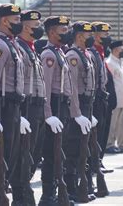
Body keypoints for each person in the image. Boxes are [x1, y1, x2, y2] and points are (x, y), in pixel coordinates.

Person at [0, 3, 25, 205]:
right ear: (4, 21)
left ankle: (1, 193)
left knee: (9, 154)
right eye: (16, 20)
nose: (19, 23)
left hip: (14, 105)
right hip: (3, 106)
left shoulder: (12, 43)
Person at [10, 10, 47, 205]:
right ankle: (20, 196)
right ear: (25, 27)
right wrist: (22, 113)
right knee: (23, 155)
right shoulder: (18, 48)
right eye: (36, 24)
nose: (39, 28)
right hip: (27, 107)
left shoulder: (31, 48)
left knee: (33, 154)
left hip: (38, 107)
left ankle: (23, 190)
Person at [39, 15, 74, 205]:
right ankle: (48, 195)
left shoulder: (60, 52)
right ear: (52, 32)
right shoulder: (49, 55)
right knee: (51, 153)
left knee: (60, 152)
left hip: (63, 105)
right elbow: (44, 87)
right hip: (54, 104)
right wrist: (48, 114)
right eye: (63, 30)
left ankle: (56, 194)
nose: (67, 33)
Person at [63, 21, 95, 202]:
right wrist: (76, 113)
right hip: (78, 106)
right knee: (73, 149)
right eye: (88, 34)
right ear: (79, 36)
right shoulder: (73, 56)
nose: (91, 37)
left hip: (87, 105)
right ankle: (71, 189)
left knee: (85, 149)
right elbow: (72, 87)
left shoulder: (86, 54)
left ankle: (81, 186)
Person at [90, 21, 113, 172]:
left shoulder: (102, 52)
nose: (107, 37)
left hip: (104, 99)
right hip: (95, 99)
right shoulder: (92, 52)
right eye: (104, 34)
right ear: (95, 35)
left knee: (103, 132)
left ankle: (99, 160)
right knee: (96, 133)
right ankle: (94, 162)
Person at [105, 40, 123, 153]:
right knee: (113, 123)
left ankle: (122, 143)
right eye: (121, 50)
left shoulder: (120, 62)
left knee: (122, 123)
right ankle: (110, 144)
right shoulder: (109, 63)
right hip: (115, 98)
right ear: (115, 50)